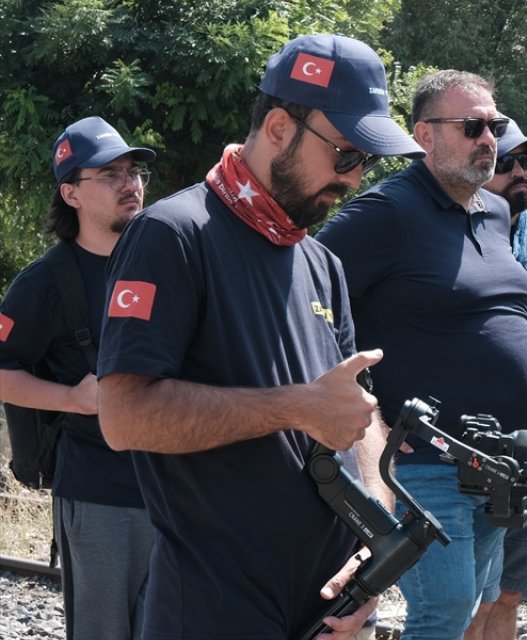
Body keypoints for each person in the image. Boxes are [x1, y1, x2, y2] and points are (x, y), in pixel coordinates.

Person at [95, 34, 422, 639]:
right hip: (215, 610)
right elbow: (124, 417)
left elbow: (357, 411)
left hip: (331, 609)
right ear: (278, 127)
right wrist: (298, 406)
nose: (354, 180)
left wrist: (376, 533)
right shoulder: (173, 235)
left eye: (366, 163)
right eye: (346, 155)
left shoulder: (321, 262)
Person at [316, 70, 527, 640]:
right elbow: (306, 293)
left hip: (498, 464)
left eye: (495, 125)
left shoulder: (493, 211)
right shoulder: (385, 213)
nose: (488, 138)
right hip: (423, 462)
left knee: (472, 610)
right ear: (424, 136)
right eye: (471, 126)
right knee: (442, 613)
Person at [0, 116, 154, 640]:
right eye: (109, 174)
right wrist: (71, 396)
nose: (129, 184)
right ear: (70, 193)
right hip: (100, 493)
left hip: (181, 488)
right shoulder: (46, 281)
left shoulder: (170, 259)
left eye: (133, 172)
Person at [465, 116, 527, 640]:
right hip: (476, 440)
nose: (520, 171)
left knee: (510, 591)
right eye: (506, 162)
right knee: (469, 596)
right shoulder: (458, 233)